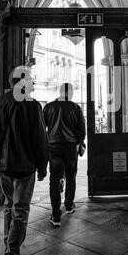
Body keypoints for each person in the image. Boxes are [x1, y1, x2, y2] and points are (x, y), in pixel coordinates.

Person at [0, 65, 48, 255]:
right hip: (23, 166)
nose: (34, 83)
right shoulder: (31, 105)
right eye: (31, 79)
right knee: (20, 210)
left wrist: (1, 154)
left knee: (8, 206)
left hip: (4, 166)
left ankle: (7, 248)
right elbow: (40, 140)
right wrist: (41, 166)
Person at [43, 82, 86, 227]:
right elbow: (82, 130)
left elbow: (42, 128)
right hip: (70, 147)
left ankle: (55, 215)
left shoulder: (48, 107)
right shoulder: (75, 107)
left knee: (54, 180)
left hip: (53, 146)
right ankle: (68, 206)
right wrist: (78, 142)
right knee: (71, 177)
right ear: (71, 93)